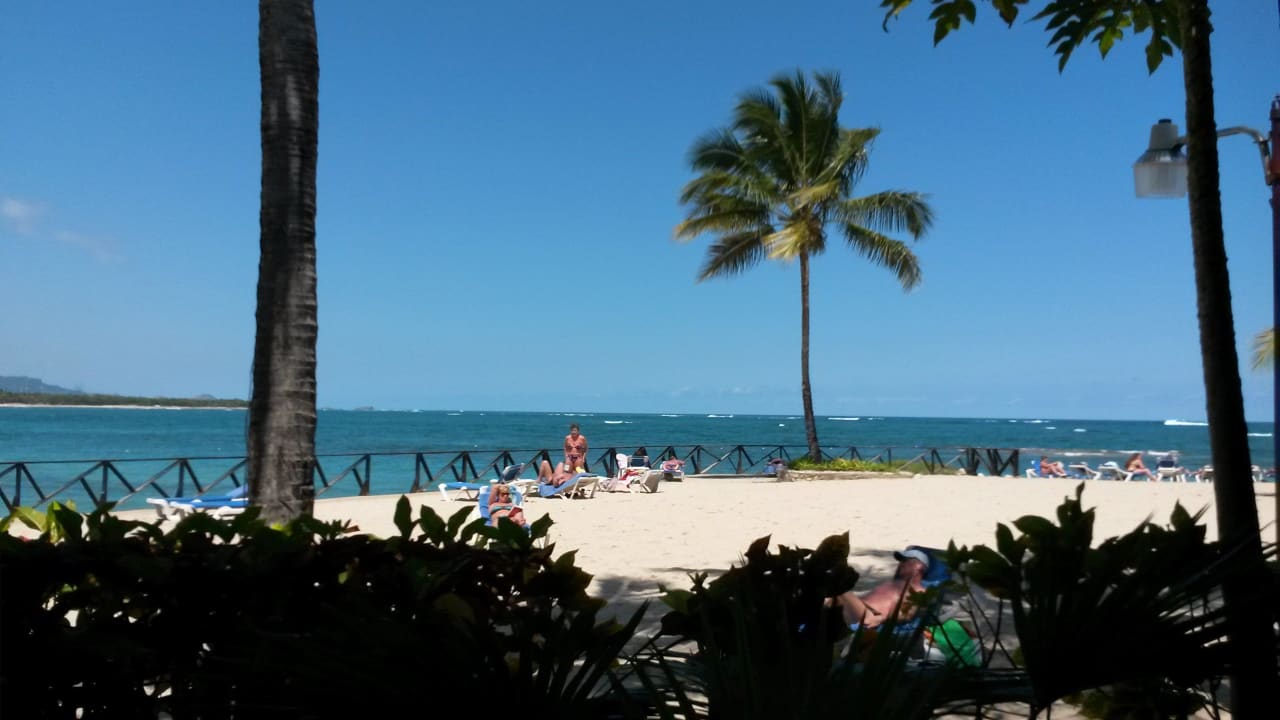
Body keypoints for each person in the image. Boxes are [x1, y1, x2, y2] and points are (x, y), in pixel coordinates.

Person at [827, 549, 931, 628]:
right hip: (858, 609)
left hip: (871, 616)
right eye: (901, 561)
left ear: (919, 566)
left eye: (906, 561)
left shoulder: (920, 591)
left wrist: (881, 619)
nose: (901, 564)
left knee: (840, 590)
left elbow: (907, 615)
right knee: (832, 600)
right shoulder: (893, 582)